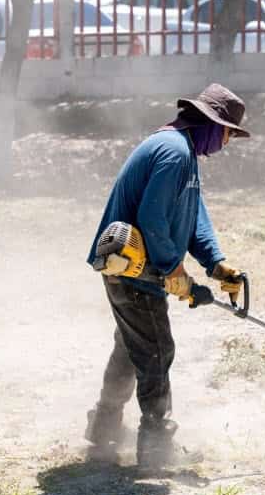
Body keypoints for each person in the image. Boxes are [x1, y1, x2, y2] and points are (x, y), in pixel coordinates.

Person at [85, 83, 250, 470]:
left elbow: (193, 216)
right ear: (210, 124)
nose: (227, 142)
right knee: (158, 350)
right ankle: (156, 449)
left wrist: (214, 263)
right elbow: (152, 217)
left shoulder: (181, 153)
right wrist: (175, 270)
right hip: (131, 267)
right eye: (228, 132)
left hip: (132, 268)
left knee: (131, 350)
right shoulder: (174, 153)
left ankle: (104, 430)